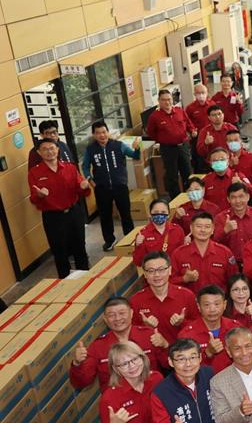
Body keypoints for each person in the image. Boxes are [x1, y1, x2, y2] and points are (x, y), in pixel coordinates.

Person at [150, 337, 223, 423]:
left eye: (193, 357)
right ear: (170, 362)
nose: (188, 364)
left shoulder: (209, 375)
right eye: (181, 359)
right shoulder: (161, 393)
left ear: (200, 358)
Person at [28, 138, 91, 277]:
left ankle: (86, 279)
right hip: (53, 217)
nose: (49, 152)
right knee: (59, 252)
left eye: (52, 148)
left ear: (57, 149)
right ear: (39, 152)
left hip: (74, 213)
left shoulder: (70, 167)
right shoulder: (34, 172)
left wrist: (84, 187)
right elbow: (33, 199)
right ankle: (64, 281)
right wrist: (39, 195)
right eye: (45, 149)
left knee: (80, 247)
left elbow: (83, 191)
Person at [70, 296, 160, 390]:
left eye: (122, 313)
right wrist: (77, 363)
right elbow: (82, 383)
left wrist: (165, 345)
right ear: (105, 319)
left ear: (131, 313)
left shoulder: (148, 335)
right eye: (111, 315)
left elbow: (167, 364)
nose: (117, 318)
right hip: (118, 398)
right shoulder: (97, 347)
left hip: (152, 392)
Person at [83, 120, 140, 252]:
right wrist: (90, 180)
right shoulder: (90, 149)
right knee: (105, 216)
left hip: (120, 186)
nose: (102, 135)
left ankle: (130, 238)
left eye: (104, 132)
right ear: (94, 135)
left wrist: (137, 148)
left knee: (125, 214)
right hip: (101, 188)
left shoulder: (119, 145)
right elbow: (85, 166)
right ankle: (109, 240)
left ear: (108, 132)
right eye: (98, 133)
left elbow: (134, 156)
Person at [130, 250, 200, 347]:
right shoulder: (136, 300)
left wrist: (182, 323)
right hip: (151, 353)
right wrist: (145, 327)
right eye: (151, 271)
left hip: (182, 351)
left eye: (161, 269)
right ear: (145, 274)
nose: (157, 275)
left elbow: (199, 326)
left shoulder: (187, 295)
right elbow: (131, 333)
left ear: (170, 270)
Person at [171, 212, 236, 294]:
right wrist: (184, 279)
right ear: (191, 228)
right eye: (199, 226)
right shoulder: (178, 253)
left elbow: (234, 281)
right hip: (189, 300)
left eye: (207, 227)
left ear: (212, 229)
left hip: (217, 300)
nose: (203, 230)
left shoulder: (225, 253)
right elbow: (170, 281)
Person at [145, 89, 192, 196]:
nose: (167, 102)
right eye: (164, 100)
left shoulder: (179, 111)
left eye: (169, 99)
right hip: (168, 149)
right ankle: (175, 199)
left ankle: (189, 196)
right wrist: (163, 139)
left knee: (187, 173)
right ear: (159, 101)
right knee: (172, 175)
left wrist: (192, 130)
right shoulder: (154, 117)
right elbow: (151, 133)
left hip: (183, 147)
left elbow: (188, 123)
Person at [132, 197, 185, 266]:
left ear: (168, 214)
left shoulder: (177, 230)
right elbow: (138, 262)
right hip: (154, 271)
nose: (160, 215)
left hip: (174, 270)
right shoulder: (142, 234)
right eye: (156, 212)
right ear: (150, 214)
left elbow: (183, 256)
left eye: (163, 212)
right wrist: (138, 245)